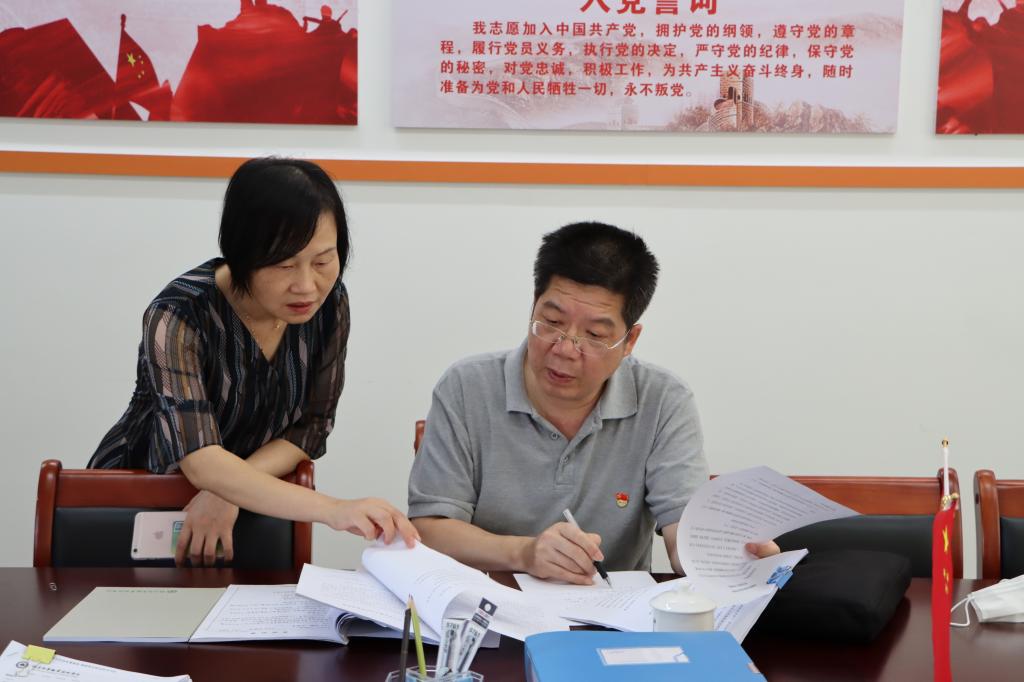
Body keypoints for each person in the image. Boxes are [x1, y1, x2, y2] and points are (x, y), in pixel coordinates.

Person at [90, 157, 417, 565]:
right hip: (144, 498)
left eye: (322, 261)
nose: (306, 285)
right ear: (241, 253)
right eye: (283, 264)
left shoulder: (329, 304)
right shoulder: (178, 315)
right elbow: (201, 459)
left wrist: (228, 493)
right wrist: (334, 510)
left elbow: (311, 427)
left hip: (255, 506)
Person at [408, 221, 776, 584]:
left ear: (629, 341)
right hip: (490, 608)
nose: (566, 349)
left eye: (595, 335)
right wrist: (524, 553)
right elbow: (430, 527)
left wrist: (726, 557)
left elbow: (684, 530)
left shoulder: (663, 399)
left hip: (613, 610)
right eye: (552, 321)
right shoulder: (467, 386)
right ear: (533, 306)